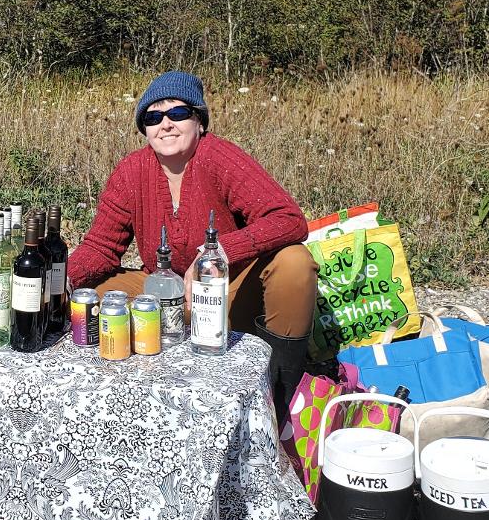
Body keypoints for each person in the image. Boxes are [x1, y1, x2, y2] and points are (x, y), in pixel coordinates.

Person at [67, 71, 318, 403]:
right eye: (154, 116)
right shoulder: (131, 171)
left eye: (178, 113)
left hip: (224, 297)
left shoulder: (220, 158)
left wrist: (219, 252)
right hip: (165, 295)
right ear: (145, 129)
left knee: (294, 262)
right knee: (90, 296)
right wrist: (60, 281)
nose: (166, 123)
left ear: (199, 121)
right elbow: (101, 246)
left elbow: (288, 219)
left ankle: (283, 394)